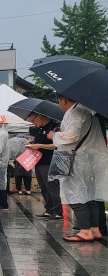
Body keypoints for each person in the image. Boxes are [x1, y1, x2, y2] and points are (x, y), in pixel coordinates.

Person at [49, 96, 108, 241]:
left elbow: (71, 136)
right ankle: (95, 230)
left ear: (64, 100)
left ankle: (85, 231)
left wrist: (54, 135)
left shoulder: (76, 112)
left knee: (76, 195)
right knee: (90, 196)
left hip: (76, 161)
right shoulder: (90, 112)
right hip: (89, 160)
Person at [27, 112, 62, 219]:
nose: (34, 123)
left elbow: (57, 145)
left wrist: (40, 145)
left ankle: (58, 211)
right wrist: (32, 142)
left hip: (49, 162)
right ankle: (49, 209)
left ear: (40, 116)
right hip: (38, 161)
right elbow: (39, 140)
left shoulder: (54, 127)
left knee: (52, 187)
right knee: (43, 187)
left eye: (34, 120)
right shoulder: (39, 129)